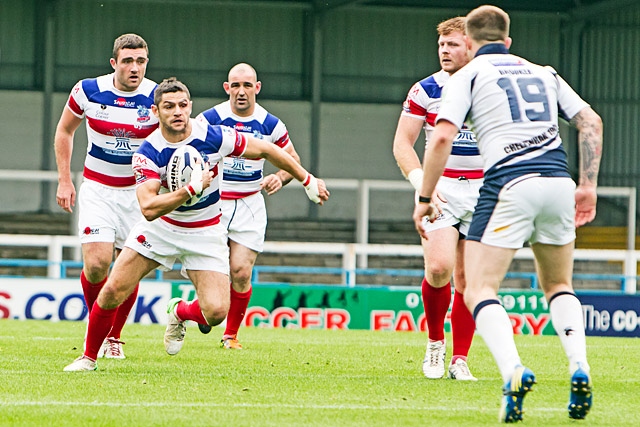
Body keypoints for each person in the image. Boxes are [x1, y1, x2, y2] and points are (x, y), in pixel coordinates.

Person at [413, 5, 601, 422]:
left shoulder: (469, 75)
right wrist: (587, 186)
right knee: (558, 284)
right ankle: (579, 366)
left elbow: (441, 134)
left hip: (508, 184)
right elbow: (590, 122)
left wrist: (424, 197)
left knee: (478, 288)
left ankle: (513, 371)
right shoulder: (544, 72)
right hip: (558, 181)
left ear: (471, 42)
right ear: (508, 40)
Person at [63, 77, 329, 371]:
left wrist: (307, 179)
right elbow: (149, 208)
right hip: (160, 228)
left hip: (205, 231)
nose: (176, 111)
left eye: (181, 105)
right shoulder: (148, 152)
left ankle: (179, 311)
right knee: (113, 290)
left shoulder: (212, 136)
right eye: (168, 106)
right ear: (155, 111)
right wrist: (190, 189)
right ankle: (88, 358)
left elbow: (268, 150)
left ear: (190, 107)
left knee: (215, 312)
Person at [54, 33, 158, 359]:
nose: (134, 67)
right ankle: (98, 321)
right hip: (98, 188)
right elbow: (65, 130)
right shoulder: (88, 90)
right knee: (98, 264)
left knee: (128, 269)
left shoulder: (157, 97)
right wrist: (64, 180)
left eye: (140, 61)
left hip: (137, 193)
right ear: (114, 63)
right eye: (127, 61)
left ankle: (113, 336)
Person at [393, 17, 480, 381]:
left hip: (484, 190)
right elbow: (402, 144)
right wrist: (420, 183)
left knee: (470, 279)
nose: (445, 50)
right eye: (442, 45)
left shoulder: (490, 86)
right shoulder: (426, 89)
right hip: (441, 187)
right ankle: (434, 343)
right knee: (439, 268)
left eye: (453, 44)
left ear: (472, 46)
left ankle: (460, 360)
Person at [195, 63, 303, 350]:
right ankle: (198, 308)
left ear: (257, 88)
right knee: (212, 270)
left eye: (247, 85)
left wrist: (279, 177)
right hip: (214, 203)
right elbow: (189, 154)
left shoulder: (271, 124)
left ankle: (230, 335)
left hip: (249, 203)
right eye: (235, 85)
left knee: (241, 271)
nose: (241, 92)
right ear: (226, 88)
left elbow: (292, 162)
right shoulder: (210, 118)